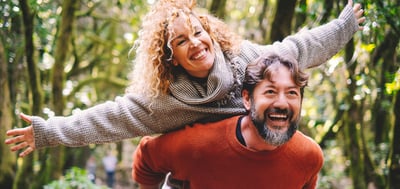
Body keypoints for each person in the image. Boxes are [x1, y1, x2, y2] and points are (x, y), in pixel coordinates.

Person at [5, 0, 365, 157]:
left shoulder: (245, 60)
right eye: (180, 40)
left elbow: (297, 49)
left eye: (197, 32)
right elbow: (107, 118)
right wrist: (47, 132)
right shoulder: (164, 101)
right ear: (170, 57)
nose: (194, 43)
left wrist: (344, 25)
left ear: (210, 32)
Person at [132, 52, 321, 188]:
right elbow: (148, 159)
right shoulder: (199, 145)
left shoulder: (308, 156)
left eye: (291, 93)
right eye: (270, 92)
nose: (282, 103)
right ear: (247, 99)